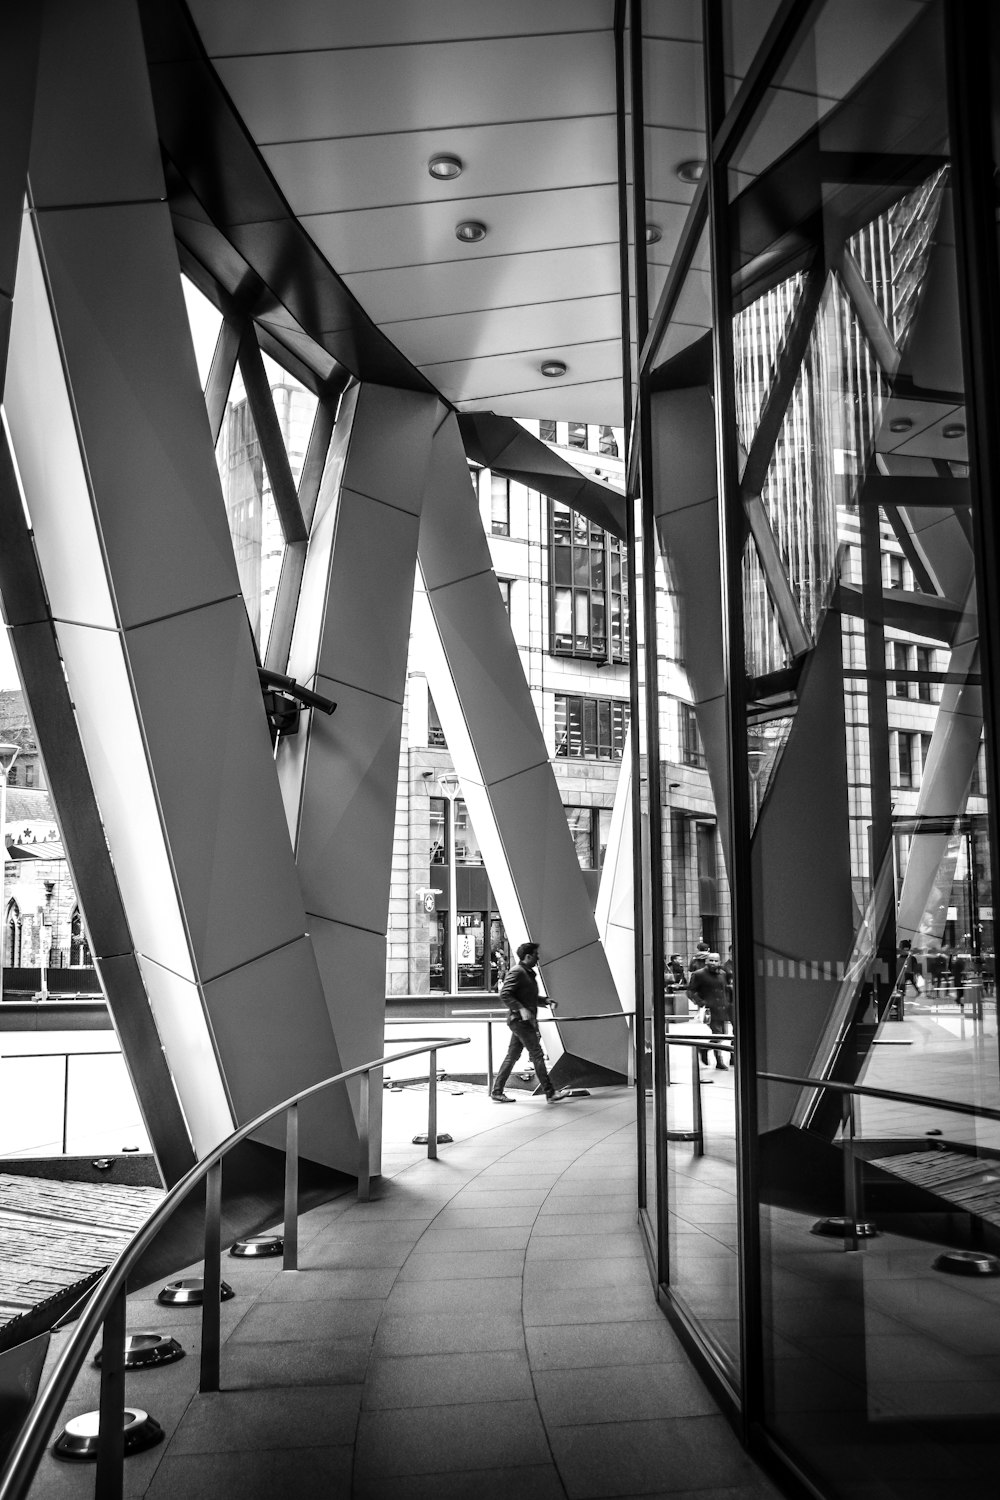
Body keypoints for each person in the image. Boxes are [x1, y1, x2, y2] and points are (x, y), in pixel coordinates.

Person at [491, 942, 570, 1104]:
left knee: (512, 1056)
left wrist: (545, 1001)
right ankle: (550, 1093)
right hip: (521, 1022)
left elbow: (528, 997)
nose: (538, 957)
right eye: (536, 954)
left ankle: (497, 1091)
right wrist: (520, 1009)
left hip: (522, 1022)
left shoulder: (526, 973)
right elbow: (505, 994)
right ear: (528, 956)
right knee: (537, 1055)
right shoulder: (518, 972)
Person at [687, 952, 732, 1070]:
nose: (713, 963)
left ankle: (704, 1048)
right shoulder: (699, 974)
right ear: (707, 961)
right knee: (718, 1034)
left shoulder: (723, 974)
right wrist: (701, 1003)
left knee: (722, 1035)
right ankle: (718, 1060)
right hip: (710, 1010)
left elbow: (725, 989)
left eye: (715, 961)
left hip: (723, 1008)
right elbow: (690, 991)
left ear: (719, 962)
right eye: (711, 960)